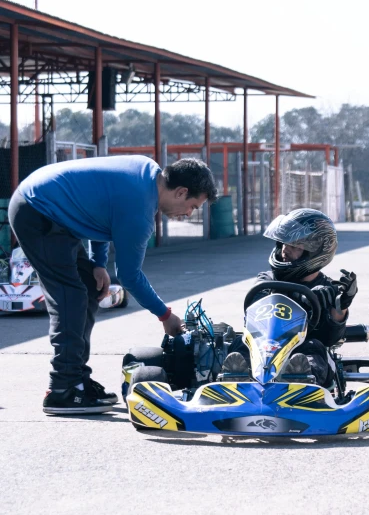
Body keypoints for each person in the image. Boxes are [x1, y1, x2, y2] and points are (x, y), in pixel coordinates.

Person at [8, 155, 217, 415]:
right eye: (193, 206)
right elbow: (129, 276)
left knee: (88, 286)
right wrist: (164, 314)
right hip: (36, 209)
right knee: (70, 297)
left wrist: (97, 263)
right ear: (181, 192)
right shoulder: (140, 210)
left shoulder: (146, 173)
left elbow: (101, 212)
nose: (188, 214)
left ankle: (77, 379)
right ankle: (63, 388)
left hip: (50, 206)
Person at [221, 208, 358, 386]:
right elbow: (254, 314)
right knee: (240, 342)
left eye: (295, 246)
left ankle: (301, 377)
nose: (285, 250)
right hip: (263, 346)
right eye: (283, 243)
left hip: (301, 347)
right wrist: (300, 298)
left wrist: (340, 306)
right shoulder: (266, 280)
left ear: (315, 252)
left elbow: (329, 339)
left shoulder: (328, 289)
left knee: (314, 348)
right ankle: (238, 376)